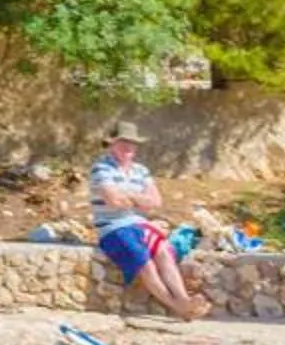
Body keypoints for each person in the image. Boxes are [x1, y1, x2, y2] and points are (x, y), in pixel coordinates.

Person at [89, 122, 211, 320]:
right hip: (113, 227)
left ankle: (182, 299)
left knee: (163, 250)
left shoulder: (141, 171)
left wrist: (128, 196)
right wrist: (138, 198)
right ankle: (177, 307)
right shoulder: (101, 168)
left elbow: (155, 201)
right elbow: (113, 200)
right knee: (144, 262)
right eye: (123, 142)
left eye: (132, 143)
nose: (128, 147)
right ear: (112, 144)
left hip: (139, 223)